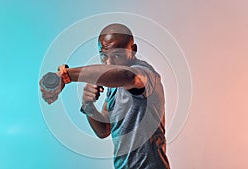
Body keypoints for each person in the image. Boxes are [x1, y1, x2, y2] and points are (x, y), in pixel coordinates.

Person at [42, 23, 170, 169]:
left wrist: (66, 75)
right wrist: (88, 105)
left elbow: (129, 77)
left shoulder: (145, 73)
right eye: (104, 55)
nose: (109, 63)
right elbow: (104, 130)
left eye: (117, 55)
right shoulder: (113, 86)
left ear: (133, 51)